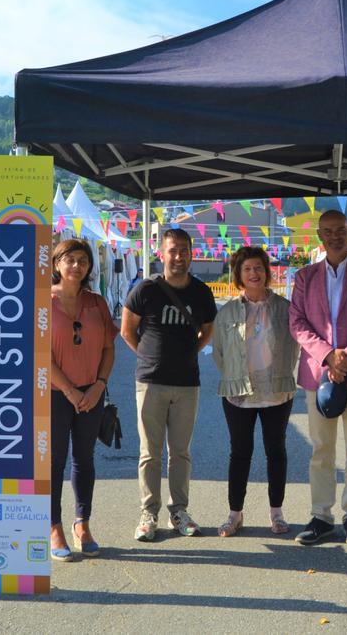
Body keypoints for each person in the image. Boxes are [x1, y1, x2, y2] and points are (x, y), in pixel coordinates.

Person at [289, 210, 347, 546]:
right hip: (318, 373)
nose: (334, 236)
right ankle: (321, 516)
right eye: (328, 231)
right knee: (321, 450)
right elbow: (297, 322)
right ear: (319, 235)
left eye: (340, 230)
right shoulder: (305, 277)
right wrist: (328, 355)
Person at [121, 229, 217, 541]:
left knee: (181, 452)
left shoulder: (201, 293)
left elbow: (207, 332)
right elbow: (127, 331)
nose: (179, 257)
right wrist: (149, 357)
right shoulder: (145, 290)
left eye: (184, 251)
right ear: (161, 253)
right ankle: (149, 513)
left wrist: (187, 354)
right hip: (150, 382)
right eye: (173, 251)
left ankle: (179, 511)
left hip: (187, 383)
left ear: (192, 253)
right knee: (150, 452)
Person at [212, 247, 300, 537]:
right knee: (240, 452)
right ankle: (234, 514)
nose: (254, 273)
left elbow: (296, 345)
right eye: (247, 269)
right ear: (238, 274)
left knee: (276, 451)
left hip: (276, 389)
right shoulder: (227, 312)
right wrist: (234, 376)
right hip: (239, 392)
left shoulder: (285, 308)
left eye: (258, 268)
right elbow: (220, 353)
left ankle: (277, 514)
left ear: (267, 272)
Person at [48, 239, 119, 561]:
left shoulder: (97, 303)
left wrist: (98, 386)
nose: (77, 266)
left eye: (83, 261)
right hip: (54, 393)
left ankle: (82, 523)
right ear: (56, 263)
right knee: (54, 461)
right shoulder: (42, 302)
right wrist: (70, 390)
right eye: (70, 259)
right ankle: (54, 527)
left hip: (93, 392)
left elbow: (108, 348)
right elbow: (40, 355)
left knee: (85, 459)